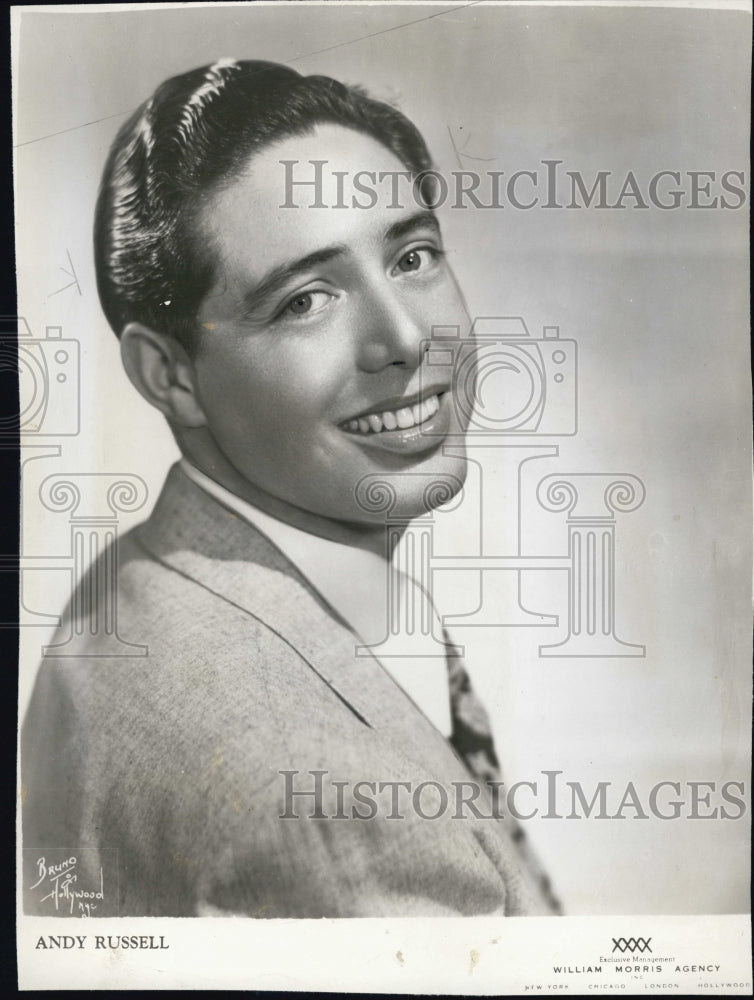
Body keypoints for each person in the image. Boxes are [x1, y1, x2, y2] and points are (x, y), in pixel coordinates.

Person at [22, 58, 559, 917]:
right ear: (170, 376)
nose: (405, 338)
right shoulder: (329, 808)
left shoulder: (143, 575)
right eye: (306, 300)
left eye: (412, 255)